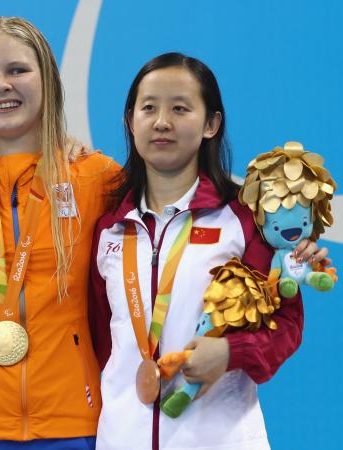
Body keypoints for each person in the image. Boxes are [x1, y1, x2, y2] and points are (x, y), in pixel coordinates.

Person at [88, 52, 329, 450]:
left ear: (212, 124)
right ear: (130, 122)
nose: (162, 121)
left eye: (180, 108)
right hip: (120, 438)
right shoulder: (109, 226)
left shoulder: (244, 220)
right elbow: (102, 343)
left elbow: (286, 326)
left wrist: (230, 352)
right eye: (148, 108)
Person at [0, 16, 120, 450]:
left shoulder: (96, 179)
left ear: (47, 78)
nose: (1, 85)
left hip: (70, 424)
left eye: (17, 70)